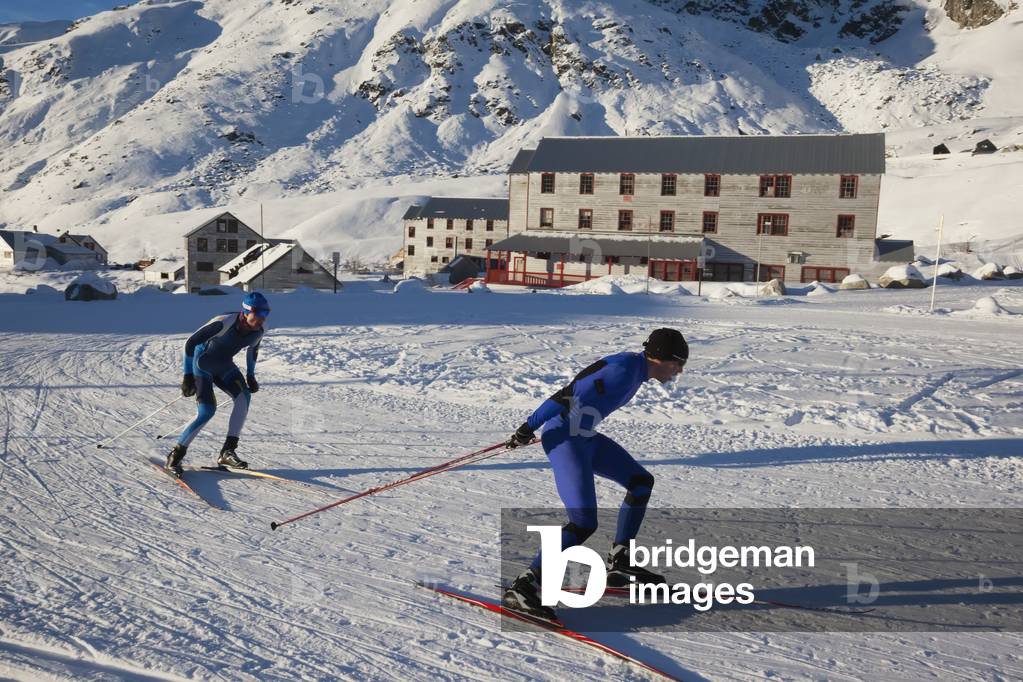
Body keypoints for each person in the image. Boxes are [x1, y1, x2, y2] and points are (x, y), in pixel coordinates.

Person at [501, 328, 688, 620]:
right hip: (565, 440)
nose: (678, 372)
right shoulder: (623, 370)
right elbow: (565, 396)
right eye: (679, 364)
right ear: (664, 358)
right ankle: (525, 586)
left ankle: (621, 562)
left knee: (640, 483)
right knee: (583, 522)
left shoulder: (637, 371)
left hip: (584, 437)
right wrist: (528, 428)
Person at [165, 292, 270, 476]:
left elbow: (253, 350)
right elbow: (190, 343)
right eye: (258, 314)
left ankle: (227, 452)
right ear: (246, 312)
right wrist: (188, 376)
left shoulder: (259, 329)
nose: (262, 319)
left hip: (224, 366)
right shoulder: (224, 322)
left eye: (265, 314)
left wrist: (251, 375)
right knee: (207, 411)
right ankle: (176, 454)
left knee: (244, 397)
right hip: (202, 364)